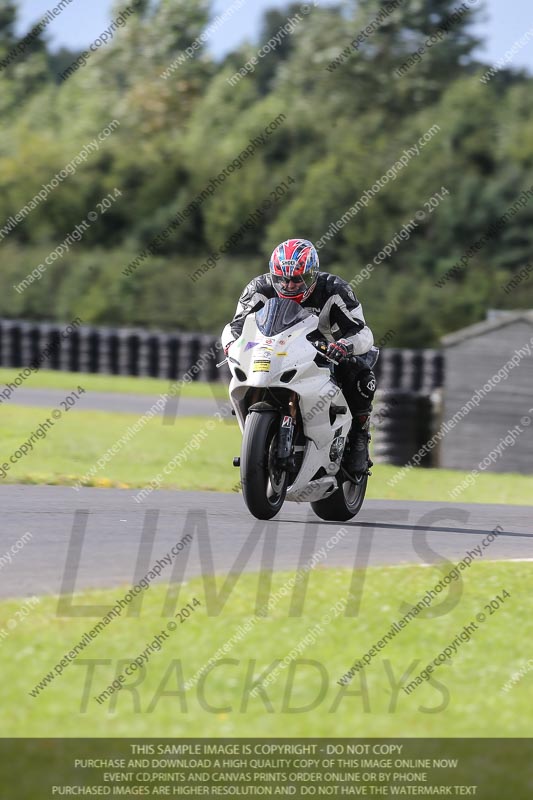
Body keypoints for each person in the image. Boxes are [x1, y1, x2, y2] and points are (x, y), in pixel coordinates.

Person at [221, 238, 376, 476]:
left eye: (297, 279)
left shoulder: (335, 289)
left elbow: (362, 331)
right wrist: (231, 345)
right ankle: (257, 437)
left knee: (361, 375)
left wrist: (345, 344)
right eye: (282, 278)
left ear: (312, 275)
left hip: (323, 351)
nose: (289, 285)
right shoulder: (258, 289)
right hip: (274, 350)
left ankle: (359, 437)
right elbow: (236, 326)